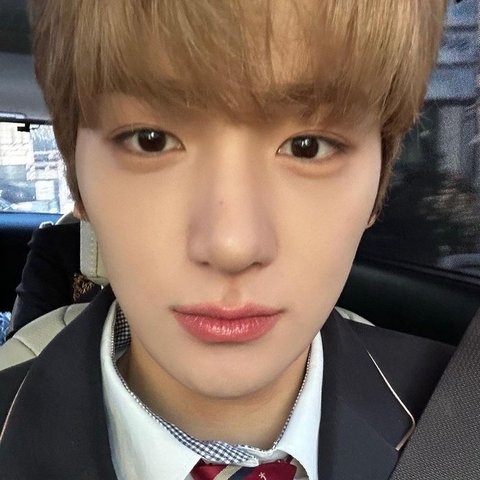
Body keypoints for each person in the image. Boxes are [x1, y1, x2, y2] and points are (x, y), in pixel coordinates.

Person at [0, 1, 452, 479]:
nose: (231, 245)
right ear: (77, 180)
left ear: (378, 184)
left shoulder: (461, 413)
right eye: (150, 139)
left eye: (308, 147)